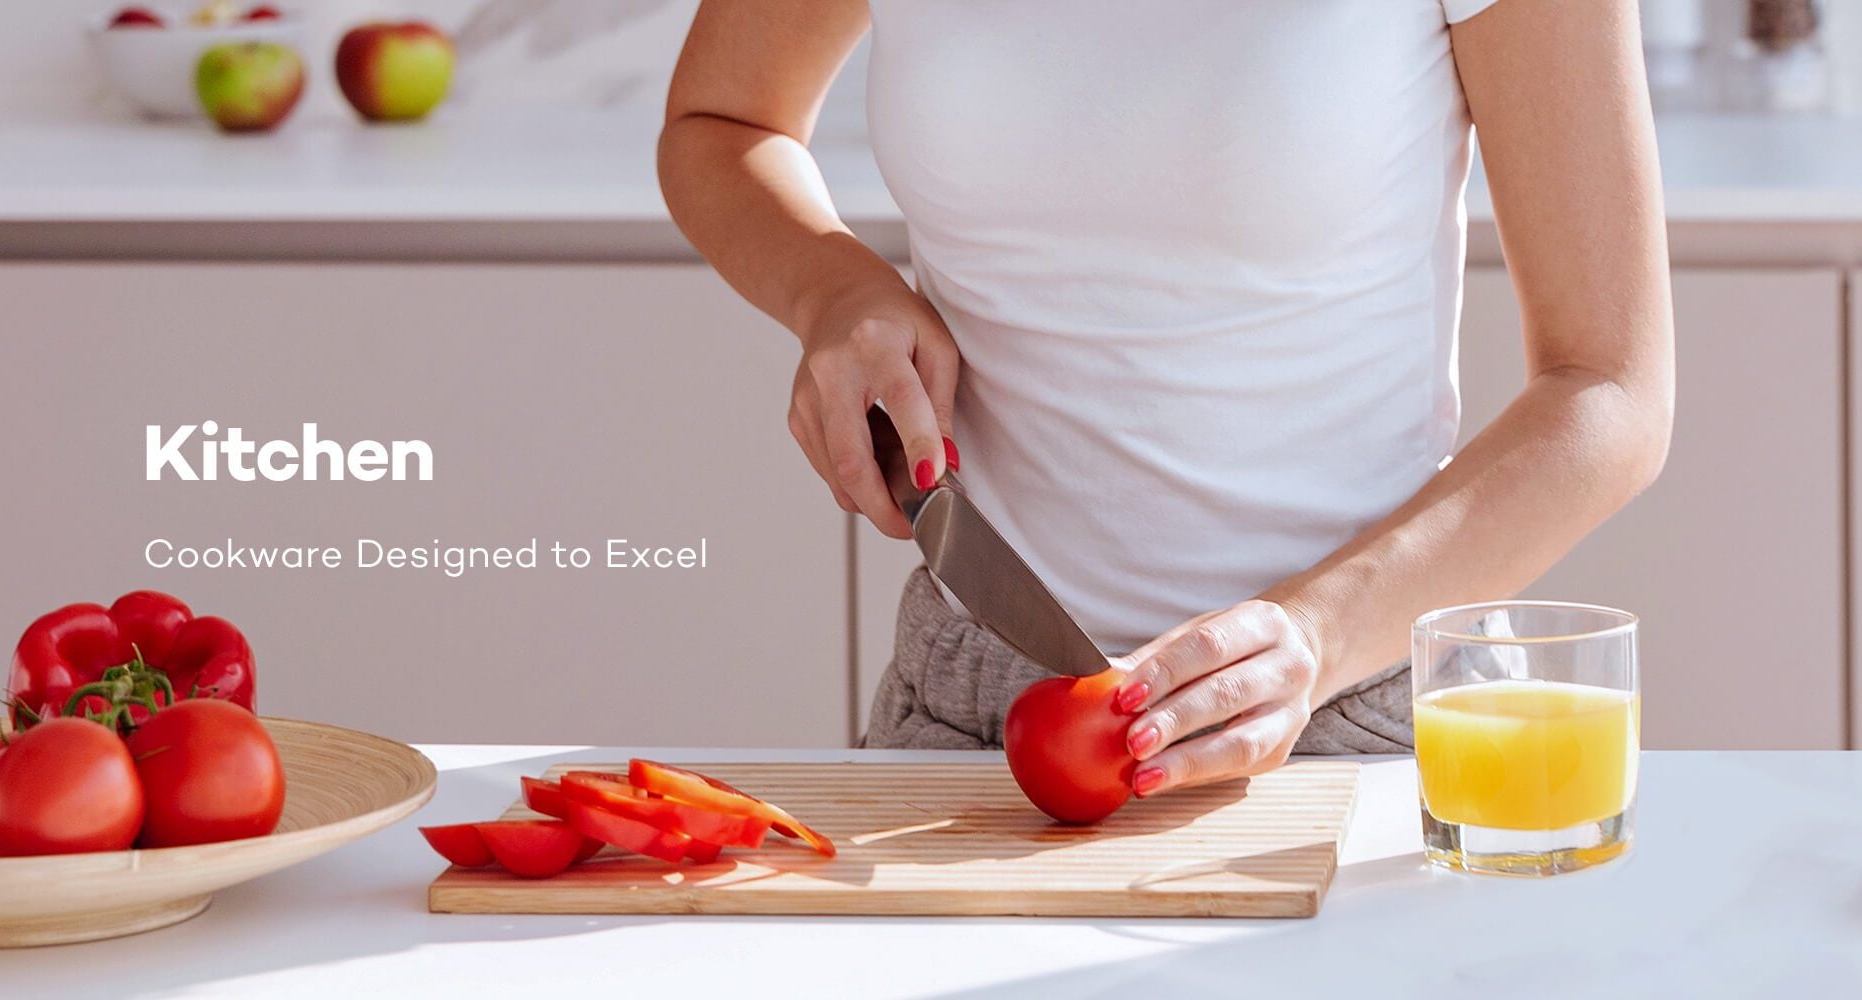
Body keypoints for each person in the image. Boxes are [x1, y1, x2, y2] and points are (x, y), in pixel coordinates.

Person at [655, 0, 1673, 797]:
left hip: (1352, 720)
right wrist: (830, 286)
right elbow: (722, 118)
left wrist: (1312, 638)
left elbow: (1608, 388)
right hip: (970, 714)